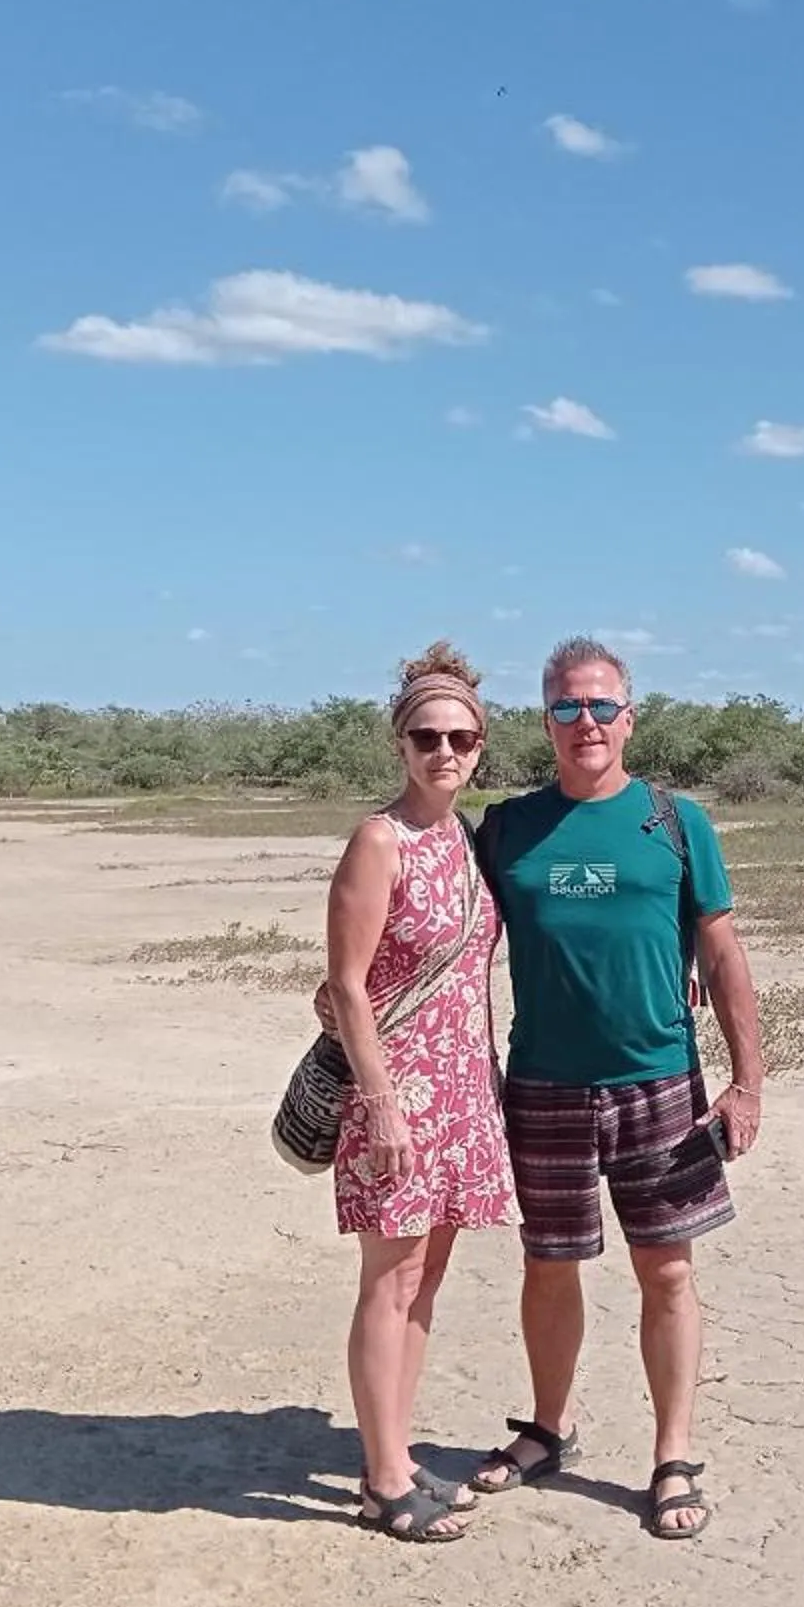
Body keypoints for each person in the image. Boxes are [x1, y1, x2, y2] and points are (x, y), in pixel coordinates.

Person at [463, 636, 765, 1540]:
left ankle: (673, 1456)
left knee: (666, 1270)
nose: (584, 722)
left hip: (659, 1082)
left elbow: (721, 947)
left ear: (629, 718)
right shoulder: (509, 828)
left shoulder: (673, 821)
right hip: (545, 1085)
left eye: (601, 706)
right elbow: (454, 940)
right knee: (548, 1264)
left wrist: (747, 1082)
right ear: (545, 719)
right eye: (566, 707)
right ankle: (548, 1429)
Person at [317, 641, 515, 1543]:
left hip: (465, 1088)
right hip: (397, 1093)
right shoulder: (379, 840)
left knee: (427, 1280)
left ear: (480, 747)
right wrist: (383, 1101)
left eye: (462, 739)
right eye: (427, 736)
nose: (445, 752)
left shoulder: (465, 842)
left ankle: (388, 1456)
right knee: (389, 1280)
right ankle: (385, 1483)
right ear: (399, 744)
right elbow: (348, 984)